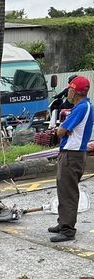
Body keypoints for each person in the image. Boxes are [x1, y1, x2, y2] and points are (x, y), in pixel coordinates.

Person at [48, 76, 94, 242]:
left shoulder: (82, 107)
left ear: (75, 91)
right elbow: (64, 129)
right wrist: (64, 129)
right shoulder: (81, 107)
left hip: (72, 154)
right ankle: (63, 222)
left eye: (70, 89)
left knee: (68, 192)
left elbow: (62, 130)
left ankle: (68, 229)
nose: (68, 91)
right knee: (63, 189)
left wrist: (63, 129)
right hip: (70, 152)